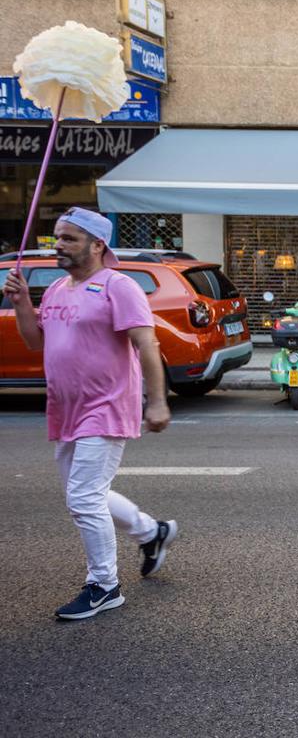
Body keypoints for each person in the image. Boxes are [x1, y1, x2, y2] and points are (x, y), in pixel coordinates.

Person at [3, 208, 178, 621]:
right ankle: (152, 532)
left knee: (83, 497)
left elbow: (146, 344)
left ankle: (104, 585)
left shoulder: (119, 286)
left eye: (69, 239)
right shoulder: (60, 288)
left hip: (106, 404)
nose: (58, 246)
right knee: (84, 494)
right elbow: (34, 343)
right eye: (57, 237)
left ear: (97, 245)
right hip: (66, 407)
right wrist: (23, 302)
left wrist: (157, 401)